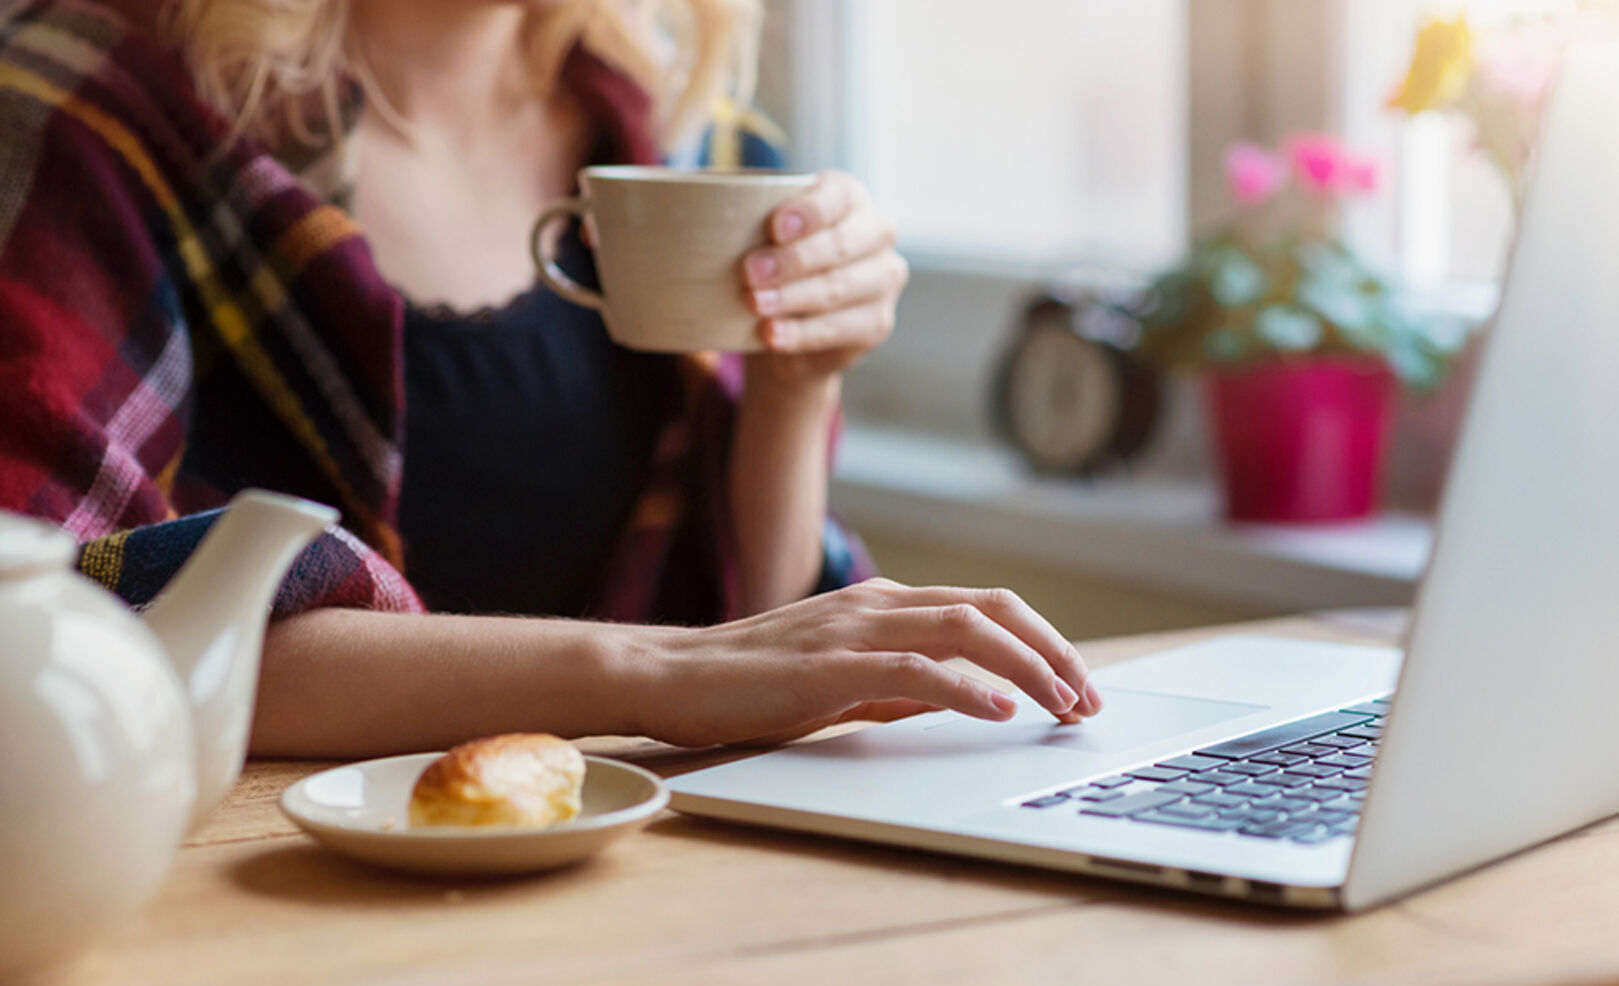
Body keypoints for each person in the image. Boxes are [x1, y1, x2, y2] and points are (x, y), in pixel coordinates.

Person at [0, 0, 1104, 757]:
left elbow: (754, 651)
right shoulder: (92, 106)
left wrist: (796, 384)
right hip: (262, 901)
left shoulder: (680, 130)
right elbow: (47, 624)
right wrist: (644, 675)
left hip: (623, 879)